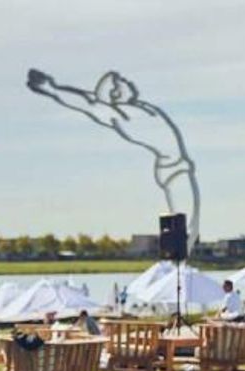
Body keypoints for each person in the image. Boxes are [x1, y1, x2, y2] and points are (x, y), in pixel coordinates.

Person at [27, 68, 200, 254]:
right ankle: (178, 260)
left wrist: (54, 87)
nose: (125, 82)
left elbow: (87, 97)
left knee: (185, 224)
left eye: (121, 80)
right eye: (117, 84)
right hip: (174, 169)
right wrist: (51, 88)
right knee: (183, 224)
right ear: (113, 95)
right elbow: (84, 103)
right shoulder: (118, 114)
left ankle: (179, 258)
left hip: (176, 166)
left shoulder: (135, 107)